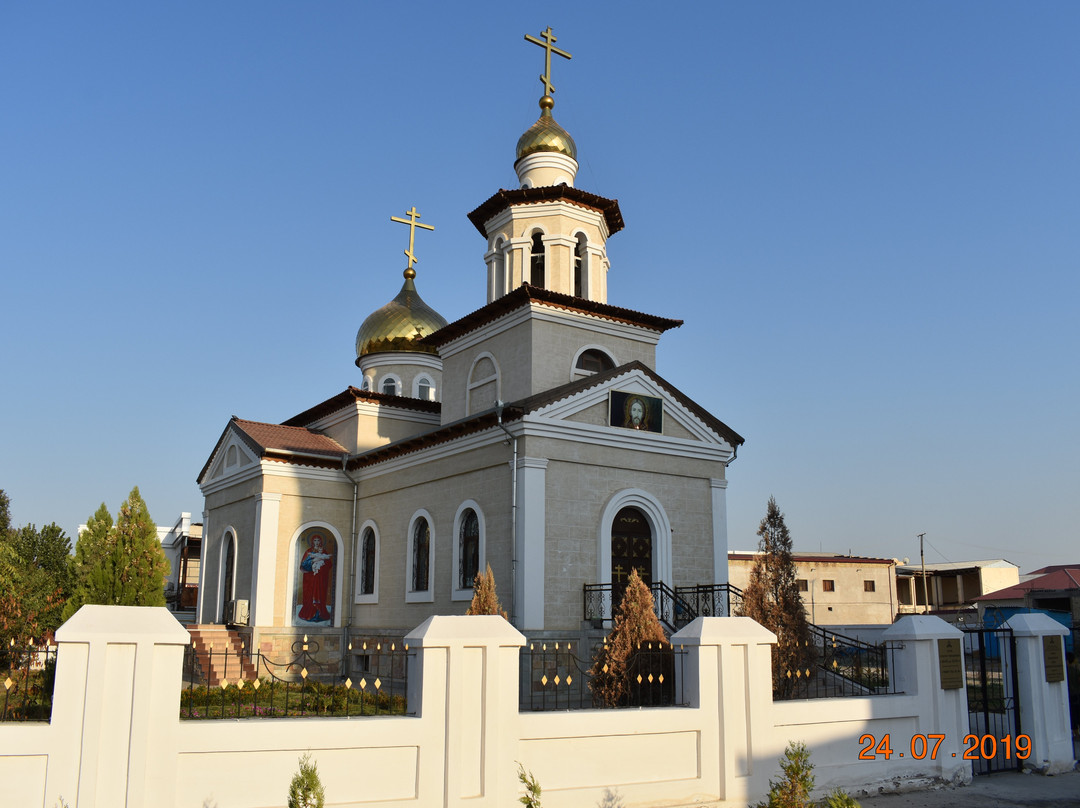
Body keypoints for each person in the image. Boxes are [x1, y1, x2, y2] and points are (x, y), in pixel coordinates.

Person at [298, 533, 333, 623]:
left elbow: (329, 564)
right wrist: (312, 562)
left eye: (318, 540)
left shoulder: (323, 552)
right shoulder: (308, 552)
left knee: (320, 595)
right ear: (312, 542)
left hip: (321, 579)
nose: (317, 542)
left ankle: (320, 614)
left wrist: (322, 567)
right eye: (315, 540)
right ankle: (309, 613)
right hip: (310, 580)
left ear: (321, 541)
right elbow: (303, 565)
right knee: (309, 596)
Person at [1067, 650, 1079, 739]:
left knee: (1073, 715)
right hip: (1077, 694)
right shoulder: (1076, 670)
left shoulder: (1065, 671)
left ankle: (1076, 733)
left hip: (1070, 695)